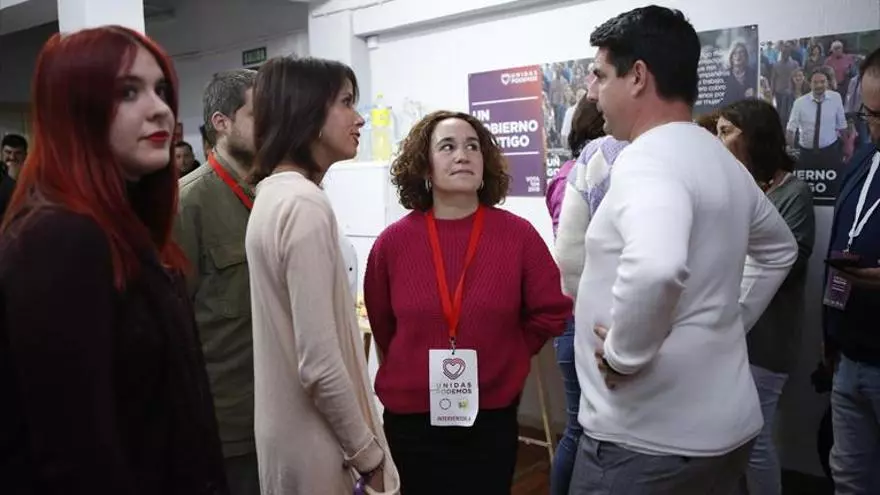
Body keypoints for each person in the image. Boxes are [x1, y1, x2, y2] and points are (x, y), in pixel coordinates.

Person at [568, 7, 798, 494]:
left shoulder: (648, 159)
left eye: (600, 76)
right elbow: (779, 248)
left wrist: (624, 356)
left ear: (637, 77)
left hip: (645, 441)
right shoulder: (717, 157)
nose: (591, 93)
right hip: (718, 435)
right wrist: (726, 320)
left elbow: (657, 266)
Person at [0, 26, 228, 494]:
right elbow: (74, 452)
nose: (159, 108)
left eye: (160, 89)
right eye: (127, 92)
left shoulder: (122, 228)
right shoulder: (60, 237)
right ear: (75, 112)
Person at [364, 110, 571, 494]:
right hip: (412, 418)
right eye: (447, 146)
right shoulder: (392, 244)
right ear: (424, 166)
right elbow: (382, 324)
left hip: (489, 415)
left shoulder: (517, 236)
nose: (463, 155)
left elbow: (552, 310)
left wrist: (511, 352)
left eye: (472, 146)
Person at [244, 56, 399, 495]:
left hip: (290, 433)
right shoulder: (303, 204)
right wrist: (367, 454)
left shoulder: (273, 195)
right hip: (320, 443)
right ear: (308, 112)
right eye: (346, 103)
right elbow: (320, 364)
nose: (359, 118)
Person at [717, 98, 816, 495]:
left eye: (726, 132)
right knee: (727, 440)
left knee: (754, 441)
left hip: (766, 341)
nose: (718, 142)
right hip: (727, 337)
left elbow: (785, 264)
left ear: (753, 137)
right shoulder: (730, 189)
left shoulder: (793, 194)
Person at [175, 69, 260, 495]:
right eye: (259, 114)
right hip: (226, 424)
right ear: (221, 123)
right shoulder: (187, 203)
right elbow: (172, 329)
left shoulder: (274, 192)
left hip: (278, 412)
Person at [549, 97, 627, 495]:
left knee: (579, 426)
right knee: (587, 430)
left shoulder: (563, 174)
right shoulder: (597, 168)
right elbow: (571, 257)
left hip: (575, 314)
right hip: (589, 317)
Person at [823, 46, 880, 495]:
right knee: (849, 478)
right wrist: (830, 337)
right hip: (849, 353)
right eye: (869, 113)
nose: (874, 126)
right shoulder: (864, 158)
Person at [0, 133, 25, 218]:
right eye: (8, 152)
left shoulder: (32, 175)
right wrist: (11, 179)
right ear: (1, 153)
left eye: (18, 153)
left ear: (25, 155)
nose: (12, 157)